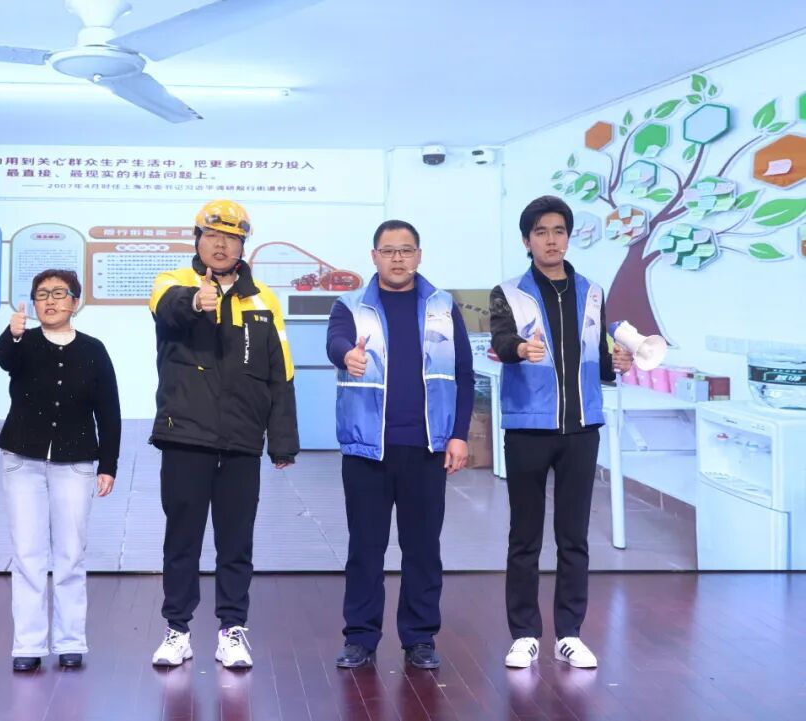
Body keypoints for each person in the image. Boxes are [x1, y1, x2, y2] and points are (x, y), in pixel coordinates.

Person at [147, 199, 298, 669]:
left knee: (236, 542)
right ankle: (177, 630)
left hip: (241, 441)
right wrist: (197, 302)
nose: (220, 245)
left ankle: (232, 630)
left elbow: (280, 372)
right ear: (197, 239)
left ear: (242, 245)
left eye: (231, 238)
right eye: (212, 236)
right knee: (182, 540)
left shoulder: (263, 299)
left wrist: (282, 441)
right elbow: (167, 310)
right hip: (185, 436)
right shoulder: (172, 282)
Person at [489, 195, 633, 670]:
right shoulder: (507, 292)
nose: (551, 240)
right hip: (528, 426)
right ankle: (524, 634)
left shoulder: (591, 291)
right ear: (526, 241)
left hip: (581, 428)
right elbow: (501, 341)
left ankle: (569, 633)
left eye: (558, 231)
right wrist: (518, 349)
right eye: (541, 232)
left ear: (568, 237)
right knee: (524, 537)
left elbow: (599, 357)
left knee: (574, 537)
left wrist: (618, 362)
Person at [327, 219, 474, 670]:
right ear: (373, 256)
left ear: (419, 255)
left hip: (427, 447)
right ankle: (360, 637)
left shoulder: (443, 306)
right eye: (388, 250)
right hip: (367, 449)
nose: (397, 258)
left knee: (423, 549)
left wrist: (459, 434)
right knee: (365, 549)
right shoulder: (350, 305)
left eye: (406, 250)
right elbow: (335, 343)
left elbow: (463, 374)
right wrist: (347, 355)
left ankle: (420, 637)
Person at [0, 269, 121, 672]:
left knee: (70, 555)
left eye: (59, 293)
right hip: (22, 461)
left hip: (76, 462)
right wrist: (13, 334)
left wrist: (108, 464)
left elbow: (109, 410)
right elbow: (4, 359)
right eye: (42, 294)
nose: (49, 300)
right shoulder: (24, 342)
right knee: (27, 554)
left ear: (75, 302)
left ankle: (70, 642)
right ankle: (27, 645)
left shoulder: (94, 349)